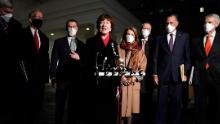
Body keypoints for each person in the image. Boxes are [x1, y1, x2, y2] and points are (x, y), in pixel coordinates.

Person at [152, 14, 191, 124]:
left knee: (176, 104)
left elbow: (187, 58)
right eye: (167, 23)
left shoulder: (184, 36)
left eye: (171, 23)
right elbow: (155, 57)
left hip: (178, 76)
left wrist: (185, 73)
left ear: (177, 23)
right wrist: (154, 74)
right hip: (162, 76)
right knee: (161, 104)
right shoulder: (159, 38)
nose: (169, 25)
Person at [50, 19, 86, 124]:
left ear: (77, 28)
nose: (72, 28)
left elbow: (85, 62)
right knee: (59, 105)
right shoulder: (59, 42)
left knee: (73, 105)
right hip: (62, 78)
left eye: (74, 26)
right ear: (66, 28)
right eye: (70, 26)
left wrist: (79, 58)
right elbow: (54, 60)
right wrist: (52, 76)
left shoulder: (82, 45)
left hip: (76, 79)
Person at [86, 13, 119, 124]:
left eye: (107, 23)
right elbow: (87, 64)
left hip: (110, 85)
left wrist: (117, 85)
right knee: (94, 114)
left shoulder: (114, 44)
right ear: (98, 25)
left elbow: (117, 65)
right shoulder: (90, 42)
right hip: (94, 84)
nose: (104, 25)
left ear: (110, 27)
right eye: (102, 22)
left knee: (108, 114)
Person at [0, 0, 26, 123]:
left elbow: (21, 48)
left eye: (11, 11)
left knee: (12, 102)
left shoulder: (17, 25)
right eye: (6, 11)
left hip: (13, 69)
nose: (9, 13)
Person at [22, 9, 49, 124]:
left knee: (36, 109)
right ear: (30, 19)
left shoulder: (44, 38)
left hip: (39, 81)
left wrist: (45, 77)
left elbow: (45, 59)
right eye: (36, 16)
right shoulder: (20, 34)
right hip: (23, 79)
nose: (39, 19)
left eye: (41, 17)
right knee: (23, 109)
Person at [192, 13, 220, 124]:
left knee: (216, 105)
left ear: (217, 24)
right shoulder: (197, 41)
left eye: (209, 22)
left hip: (217, 77)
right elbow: (194, 58)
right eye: (205, 22)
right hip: (201, 78)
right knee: (200, 106)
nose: (206, 24)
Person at [118, 26, 147, 124]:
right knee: (120, 111)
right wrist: (121, 77)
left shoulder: (139, 51)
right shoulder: (118, 48)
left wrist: (133, 78)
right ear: (124, 35)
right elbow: (114, 65)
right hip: (120, 83)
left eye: (132, 34)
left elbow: (142, 69)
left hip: (133, 84)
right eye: (128, 34)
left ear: (135, 37)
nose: (129, 36)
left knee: (130, 111)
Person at [138, 22, 156, 124]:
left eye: (148, 28)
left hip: (149, 74)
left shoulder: (154, 42)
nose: (146, 30)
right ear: (141, 29)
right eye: (144, 28)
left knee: (148, 98)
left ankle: (148, 119)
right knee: (138, 97)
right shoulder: (136, 41)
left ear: (150, 31)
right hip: (137, 74)